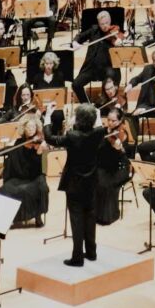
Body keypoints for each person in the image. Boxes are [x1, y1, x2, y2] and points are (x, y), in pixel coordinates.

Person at [59, 102, 104, 267]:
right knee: (90, 218)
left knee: (77, 221)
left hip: (74, 185)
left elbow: (51, 138)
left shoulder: (72, 136)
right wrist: (95, 114)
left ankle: (77, 257)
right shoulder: (99, 133)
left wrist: (49, 120)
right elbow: (98, 124)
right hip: (91, 184)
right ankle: (91, 253)